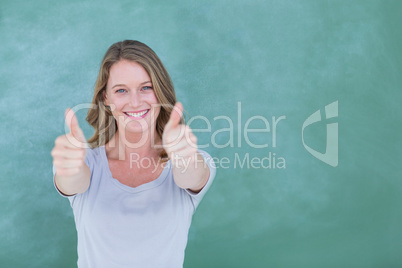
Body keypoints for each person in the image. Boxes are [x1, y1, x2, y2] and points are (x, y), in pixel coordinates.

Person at [51, 40, 216, 268]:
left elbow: (192, 175)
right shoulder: (86, 161)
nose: (135, 101)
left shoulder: (193, 160)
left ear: (160, 91)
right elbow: (73, 180)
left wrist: (184, 158)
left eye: (146, 87)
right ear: (106, 99)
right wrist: (70, 166)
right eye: (121, 90)